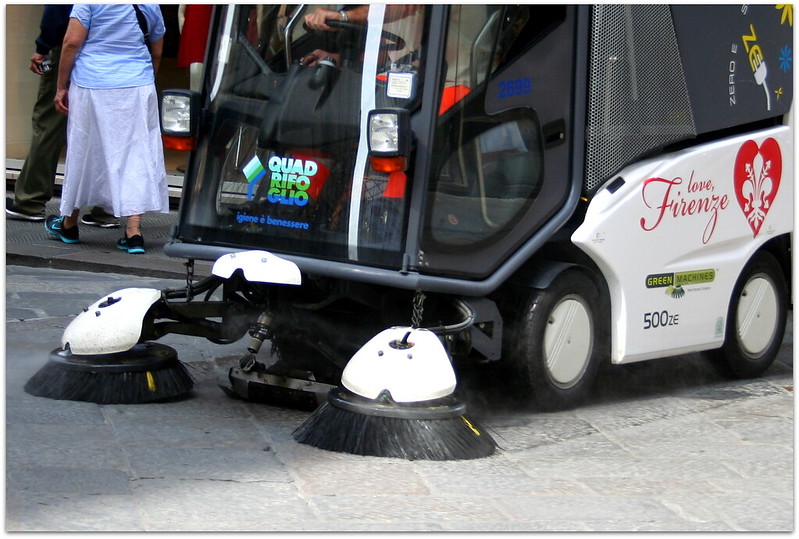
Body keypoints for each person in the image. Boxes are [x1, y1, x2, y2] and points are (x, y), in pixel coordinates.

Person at [46, 5, 169, 254]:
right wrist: (144, 78)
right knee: (136, 153)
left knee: (85, 150)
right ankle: (133, 232)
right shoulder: (150, 4)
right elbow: (156, 50)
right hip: (137, 84)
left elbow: (71, 43)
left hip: (91, 84)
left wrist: (61, 86)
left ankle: (69, 225)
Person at [6, 5, 118, 228]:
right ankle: (106, 208)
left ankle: (31, 199)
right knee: (107, 129)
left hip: (73, 41)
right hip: (116, 53)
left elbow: (58, 11)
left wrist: (42, 46)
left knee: (50, 121)